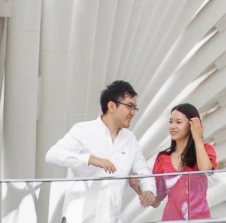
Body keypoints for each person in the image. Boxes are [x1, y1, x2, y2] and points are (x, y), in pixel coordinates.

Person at [45, 79, 158, 222]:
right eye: (129, 106)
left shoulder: (130, 140)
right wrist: (90, 159)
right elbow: (52, 156)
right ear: (111, 106)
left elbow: (144, 171)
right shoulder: (83, 130)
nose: (133, 113)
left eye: (135, 108)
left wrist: (148, 190)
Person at [152, 103, 217, 220]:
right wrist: (140, 189)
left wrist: (197, 138)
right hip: (171, 219)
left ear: (191, 125)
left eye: (178, 122)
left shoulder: (205, 150)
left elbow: (206, 170)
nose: (172, 126)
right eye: (171, 122)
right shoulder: (162, 158)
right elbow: (157, 199)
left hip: (199, 219)